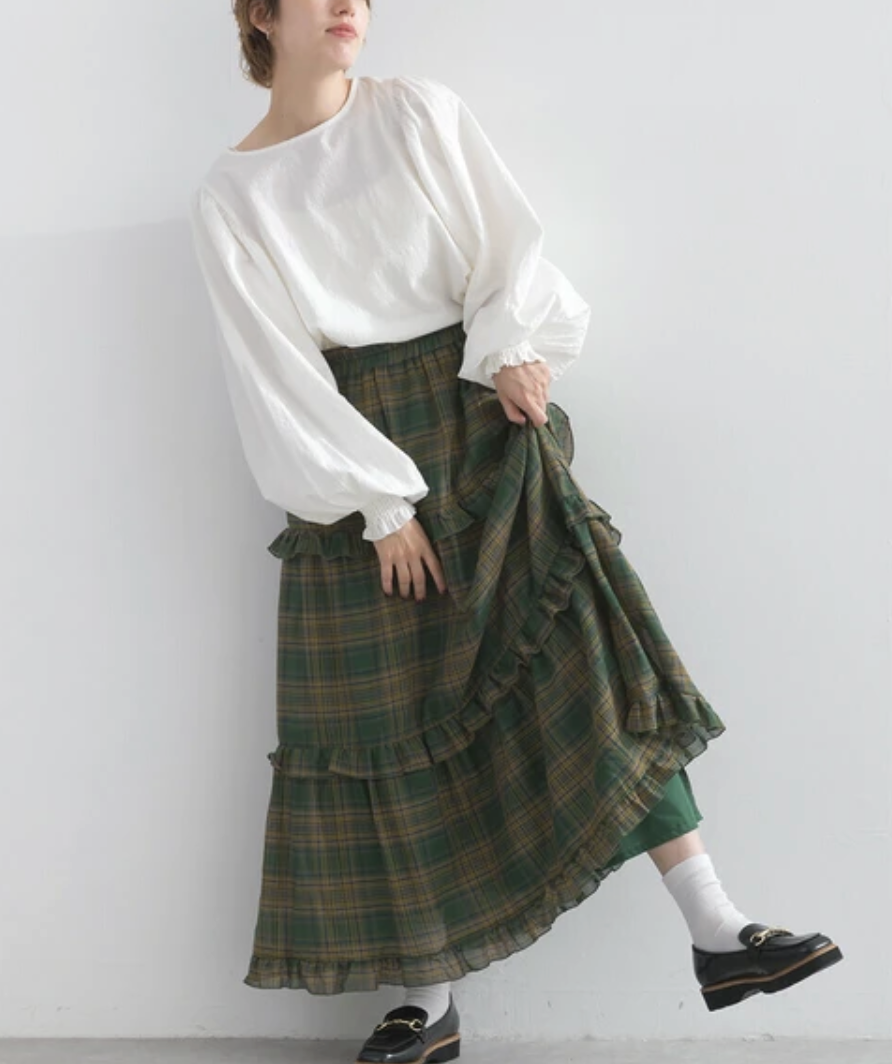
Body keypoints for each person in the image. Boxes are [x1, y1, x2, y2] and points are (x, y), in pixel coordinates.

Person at [189, 2, 843, 1060]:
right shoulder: (233, 193)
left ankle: (717, 929)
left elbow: (504, 250)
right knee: (387, 720)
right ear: (262, 13)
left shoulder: (416, 113)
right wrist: (379, 505)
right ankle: (430, 999)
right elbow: (272, 370)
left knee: (587, 655)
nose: (350, 3)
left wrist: (509, 347)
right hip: (359, 458)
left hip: (479, 414)